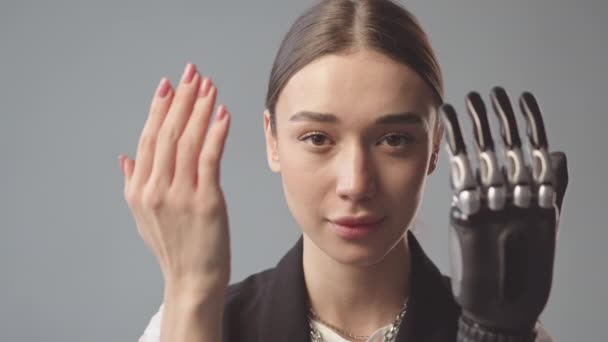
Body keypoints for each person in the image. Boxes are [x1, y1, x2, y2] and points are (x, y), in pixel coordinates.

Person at [120, 0, 558, 341]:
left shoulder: (508, 332)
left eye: (394, 140)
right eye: (318, 139)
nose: (356, 184)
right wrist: (191, 286)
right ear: (272, 141)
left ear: (435, 146)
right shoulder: (184, 324)